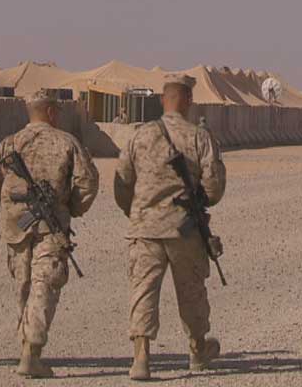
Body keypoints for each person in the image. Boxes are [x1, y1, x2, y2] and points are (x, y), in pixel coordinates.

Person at [0, 89, 99, 378]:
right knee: (44, 285)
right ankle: (31, 351)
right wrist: (72, 207)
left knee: (25, 286)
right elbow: (88, 182)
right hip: (50, 229)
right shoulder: (67, 142)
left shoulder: (8, 144)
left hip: (16, 228)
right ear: (51, 112)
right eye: (58, 112)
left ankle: (27, 347)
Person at [114, 74, 226, 381]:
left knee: (143, 291)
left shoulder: (139, 135)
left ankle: (140, 358)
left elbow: (122, 182)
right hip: (184, 229)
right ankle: (197, 350)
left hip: (145, 229)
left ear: (163, 100)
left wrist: (137, 212)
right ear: (189, 100)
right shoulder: (199, 137)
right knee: (191, 291)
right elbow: (214, 188)